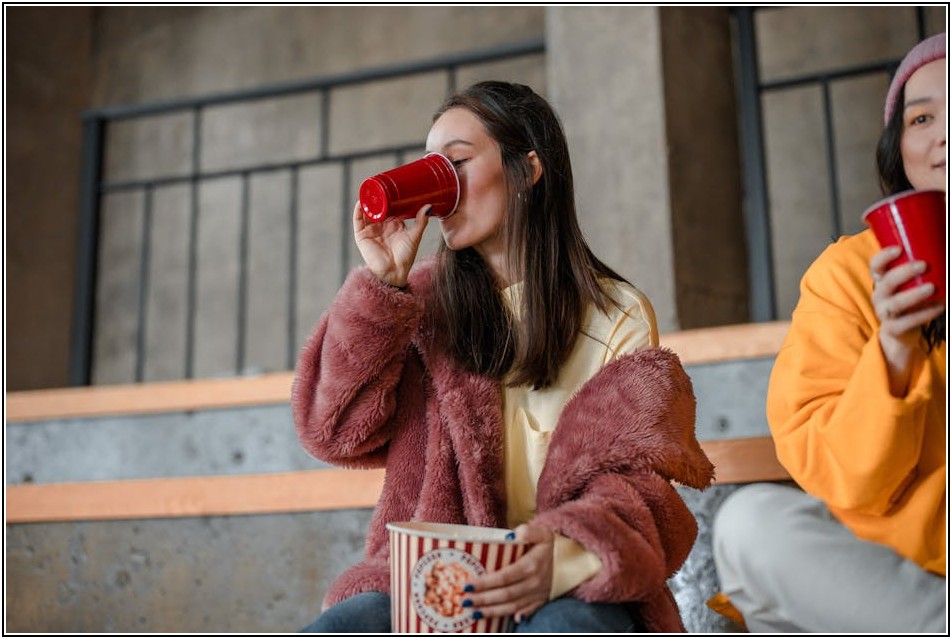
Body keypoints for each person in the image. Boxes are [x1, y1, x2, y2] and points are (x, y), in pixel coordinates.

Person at [292, 81, 715, 633]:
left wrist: (563, 559)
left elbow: (635, 482)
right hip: (434, 578)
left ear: (527, 169)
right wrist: (382, 287)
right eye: (430, 167)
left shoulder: (615, 315)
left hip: (565, 582)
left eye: (456, 164)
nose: (440, 189)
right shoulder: (416, 306)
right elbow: (334, 432)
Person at [711, 33, 946, 633]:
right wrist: (893, 351)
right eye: (921, 118)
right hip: (893, 583)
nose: (943, 134)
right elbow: (843, 477)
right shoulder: (847, 274)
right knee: (749, 525)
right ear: (899, 149)